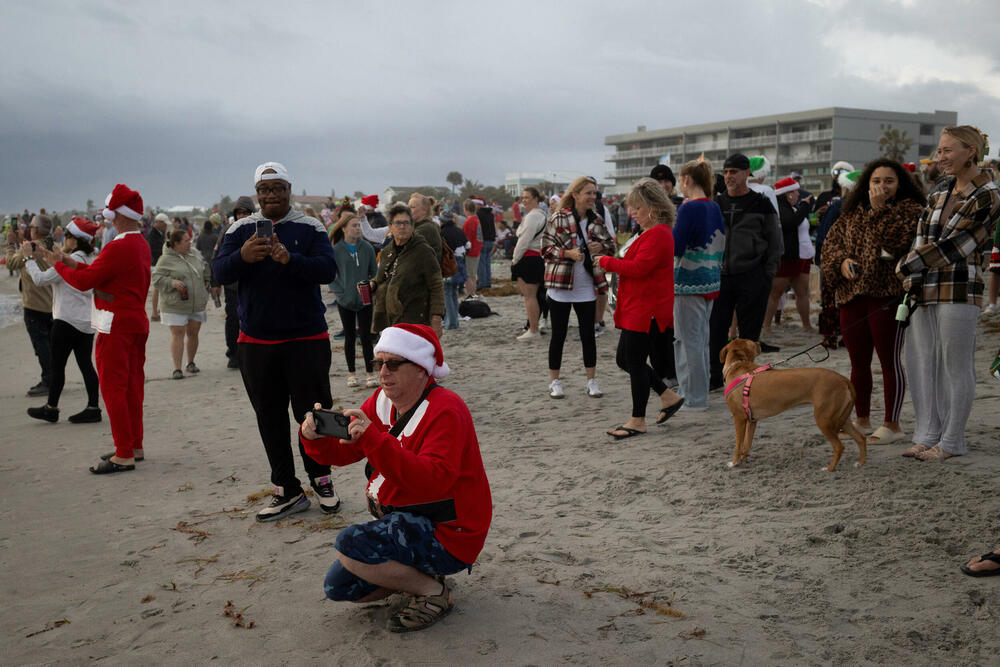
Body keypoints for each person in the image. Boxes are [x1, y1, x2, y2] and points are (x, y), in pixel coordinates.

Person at [300, 324, 492, 632]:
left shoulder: (446, 410)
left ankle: (434, 592)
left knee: (350, 545)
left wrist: (373, 439)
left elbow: (434, 481)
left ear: (421, 369)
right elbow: (341, 454)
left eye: (393, 363)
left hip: (452, 531)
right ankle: (422, 578)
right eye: (379, 363)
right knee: (339, 587)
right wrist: (314, 437)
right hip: (409, 516)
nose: (383, 372)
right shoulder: (381, 401)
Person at [213, 161, 342, 519]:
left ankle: (322, 480)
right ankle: (286, 489)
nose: (271, 195)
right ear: (257, 194)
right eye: (265, 190)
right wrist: (242, 256)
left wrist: (291, 259)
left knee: (316, 413)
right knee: (269, 417)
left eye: (278, 188)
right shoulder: (240, 229)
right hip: (256, 341)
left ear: (289, 189)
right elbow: (219, 272)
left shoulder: (310, 227)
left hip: (306, 337)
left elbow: (327, 270)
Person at [896, 126, 1000, 462]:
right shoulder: (937, 195)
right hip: (924, 289)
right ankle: (927, 434)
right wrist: (911, 276)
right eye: (938, 152)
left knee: (956, 366)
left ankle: (952, 441)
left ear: (971, 151)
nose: (940, 158)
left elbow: (957, 246)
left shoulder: (988, 194)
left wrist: (906, 265)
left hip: (960, 288)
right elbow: (919, 237)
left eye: (947, 151)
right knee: (924, 364)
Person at [46, 184, 151, 474]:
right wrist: (66, 262)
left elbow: (84, 282)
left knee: (114, 387)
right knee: (132, 387)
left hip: (114, 324)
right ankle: (134, 445)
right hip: (134, 322)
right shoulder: (139, 244)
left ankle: (124, 453)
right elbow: (97, 273)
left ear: (116, 213)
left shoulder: (119, 246)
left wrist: (58, 265)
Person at [821, 158, 925, 445]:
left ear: (900, 184)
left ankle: (892, 423)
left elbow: (899, 243)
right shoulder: (851, 213)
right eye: (876, 181)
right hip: (852, 295)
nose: (882, 186)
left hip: (888, 296)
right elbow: (830, 247)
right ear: (866, 184)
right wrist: (841, 263)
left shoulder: (911, 211)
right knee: (858, 362)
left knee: (889, 361)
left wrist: (880, 212)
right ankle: (862, 418)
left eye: (889, 181)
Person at [596, 178, 682, 438]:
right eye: (631, 208)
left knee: (632, 360)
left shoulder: (659, 233)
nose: (632, 213)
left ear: (654, 207)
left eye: (637, 208)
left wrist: (607, 262)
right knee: (625, 359)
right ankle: (668, 397)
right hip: (638, 305)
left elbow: (639, 269)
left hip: (647, 308)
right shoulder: (649, 232)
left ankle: (638, 420)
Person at [708, 153, 783, 390]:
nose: (729, 176)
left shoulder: (761, 203)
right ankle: (715, 376)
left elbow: (775, 241)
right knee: (716, 330)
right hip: (720, 276)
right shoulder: (716, 203)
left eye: (734, 172)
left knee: (750, 334)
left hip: (753, 275)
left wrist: (766, 275)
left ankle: (749, 377)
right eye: (726, 171)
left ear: (746, 173)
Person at [542, 176, 616, 399]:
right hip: (560, 286)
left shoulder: (597, 220)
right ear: (575, 195)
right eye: (588, 193)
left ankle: (591, 381)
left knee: (588, 335)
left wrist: (601, 246)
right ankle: (554, 381)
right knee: (559, 335)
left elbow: (612, 247)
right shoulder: (559, 218)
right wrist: (567, 254)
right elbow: (545, 249)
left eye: (595, 193)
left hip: (586, 287)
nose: (593, 197)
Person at [22, 217, 102, 424]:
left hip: (66, 319)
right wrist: (43, 253)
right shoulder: (89, 258)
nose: (64, 239)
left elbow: (40, 280)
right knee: (86, 365)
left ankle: (51, 408)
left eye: (66, 236)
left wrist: (28, 259)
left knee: (57, 366)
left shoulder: (70, 260)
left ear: (74, 240)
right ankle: (93, 407)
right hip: (86, 321)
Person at [672, 160, 726, 411]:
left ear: (687, 180)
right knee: (701, 340)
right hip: (711, 278)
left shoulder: (689, 209)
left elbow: (676, 246)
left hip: (688, 281)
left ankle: (693, 398)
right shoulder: (714, 206)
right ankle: (698, 393)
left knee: (687, 341)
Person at [372, 203, 445, 335]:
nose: (402, 227)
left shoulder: (423, 251)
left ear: (412, 226)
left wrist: (436, 318)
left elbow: (437, 285)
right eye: (398, 223)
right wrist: (372, 285)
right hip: (389, 320)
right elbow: (380, 279)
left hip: (415, 319)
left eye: (406, 223)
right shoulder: (386, 252)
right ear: (390, 227)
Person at [5, 214, 54, 396]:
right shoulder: (49, 245)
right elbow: (32, 248)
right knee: (49, 344)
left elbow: (12, 263)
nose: (29, 227)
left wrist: (10, 244)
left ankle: (48, 381)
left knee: (41, 345)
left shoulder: (31, 248)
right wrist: (20, 240)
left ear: (35, 229)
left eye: (31, 225)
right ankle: (54, 379)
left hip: (34, 305)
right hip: (50, 303)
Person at [152, 230, 211, 379]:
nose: (189, 243)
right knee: (178, 333)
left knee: (193, 333)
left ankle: (190, 363)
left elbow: (204, 266)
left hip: (196, 302)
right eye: (186, 241)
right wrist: (172, 283)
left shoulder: (194, 253)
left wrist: (207, 280)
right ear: (176, 244)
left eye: (189, 240)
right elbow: (156, 279)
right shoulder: (165, 259)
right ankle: (177, 369)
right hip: (175, 304)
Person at [331, 212, 378, 388]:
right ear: (343, 228)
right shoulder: (336, 250)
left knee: (366, 337)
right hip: (345, 302)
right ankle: (352, 374)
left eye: (359, 225)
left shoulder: (367, 247)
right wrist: (340, 294)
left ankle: (370, 373)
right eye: (354, 226)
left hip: (365, 300)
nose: (358, 228)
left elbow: (375, 273)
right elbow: (331, 277)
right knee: (349, 338)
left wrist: (372, 286)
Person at [763, 177, 815, 333]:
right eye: (795, 191)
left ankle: (806, 325)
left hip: (802, 255)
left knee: (802, 292)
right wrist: (805, 206)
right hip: (787, 257)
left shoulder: (793, 207)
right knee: (776, 292)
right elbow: (790, 223)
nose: (798, 194)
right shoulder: (780, 207)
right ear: (787, 194)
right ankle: (766, 325)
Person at [212, 196, 254, 369]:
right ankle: (233, 354)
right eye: (239, 213)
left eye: (246, 212)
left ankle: (251, 354)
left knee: (252, 319)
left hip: (254, 283)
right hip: (232, 284)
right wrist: (215, 282)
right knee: (233, 319)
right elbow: (217, 257)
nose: (242, 216)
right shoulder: (228, 230)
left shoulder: (259, 228)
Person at [511, 187, 547, 340]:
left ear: (535, 198)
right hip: (537, 258)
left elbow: (524, 240)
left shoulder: (533, 216)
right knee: (535, 296)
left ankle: (533, 330)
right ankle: (534, 327)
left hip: (528, 258)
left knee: (530, 297)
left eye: (527, 197)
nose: (524, 200)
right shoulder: (542, 215)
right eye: (522, 197)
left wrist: (514, 260)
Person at [438, 209, 469, 330]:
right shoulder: (459, 231)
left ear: (442, 221)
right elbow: (468, 246)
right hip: (459, 266)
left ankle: (450, 323)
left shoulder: (442, 233)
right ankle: (454, 321)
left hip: (447, 267)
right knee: (454, 294)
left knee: (447, 294)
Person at [407, 193, 443, 261]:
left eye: (412, 207)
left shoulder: (425, 229)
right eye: (408, 207)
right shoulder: (422, 226)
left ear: (424, 210)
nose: (408, 210)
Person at [148, 213, 169, 321]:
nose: (166, 226)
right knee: (156, 289)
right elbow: (152, 250)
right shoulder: (152, 234)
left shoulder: (159, 233)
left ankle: (158, 310)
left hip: (158, 263)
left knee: (159, 288)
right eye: (164, 224)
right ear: (159, 223)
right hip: (155, 264)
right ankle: (154, 313)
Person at [461, 198, 483, 298]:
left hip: (470, 252)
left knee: (469, 275)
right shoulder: (477, 219)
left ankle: (470, 294)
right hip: (477, 250)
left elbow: (465, 238)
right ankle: (473, 293)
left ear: (466, 209)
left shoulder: (469, 221)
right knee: (473, 275)